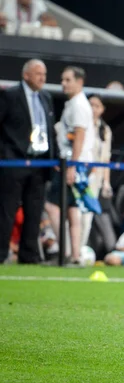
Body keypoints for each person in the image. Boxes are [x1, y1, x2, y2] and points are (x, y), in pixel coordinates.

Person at [0, 59, 55, 264]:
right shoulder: (10, 95)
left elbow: (49, 129)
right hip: (14, 162)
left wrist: (54, 157)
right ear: (26, 75)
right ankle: (1, 253)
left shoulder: (46, 97)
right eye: (38, 73)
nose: (42, 77)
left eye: (44, 74)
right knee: (7, 210)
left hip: (40, 164)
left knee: (34, 212)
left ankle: (29, 256)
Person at [46, 66, 95, 265]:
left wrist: (72, 166)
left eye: (68, 80)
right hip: (77, 162)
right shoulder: (74, 103)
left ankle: (64, 251)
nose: (63, 83)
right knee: (72, 210)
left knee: (51, 206)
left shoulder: (78, 105)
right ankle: (75, 255)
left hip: (75, 163)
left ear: (79, 82)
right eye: (62, 79)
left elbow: (79, 137)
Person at [80, 94, 113, 247]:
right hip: (79, 175)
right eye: (90, 104)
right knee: (74, 213)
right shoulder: (80, 124)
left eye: (97, 106)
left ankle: (79, 250)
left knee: (87, 215)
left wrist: (106, 182)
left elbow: (105, 158)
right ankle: (68, 250)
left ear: (103, 109)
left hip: (95, 180)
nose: (93, 109)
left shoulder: (105, 130)